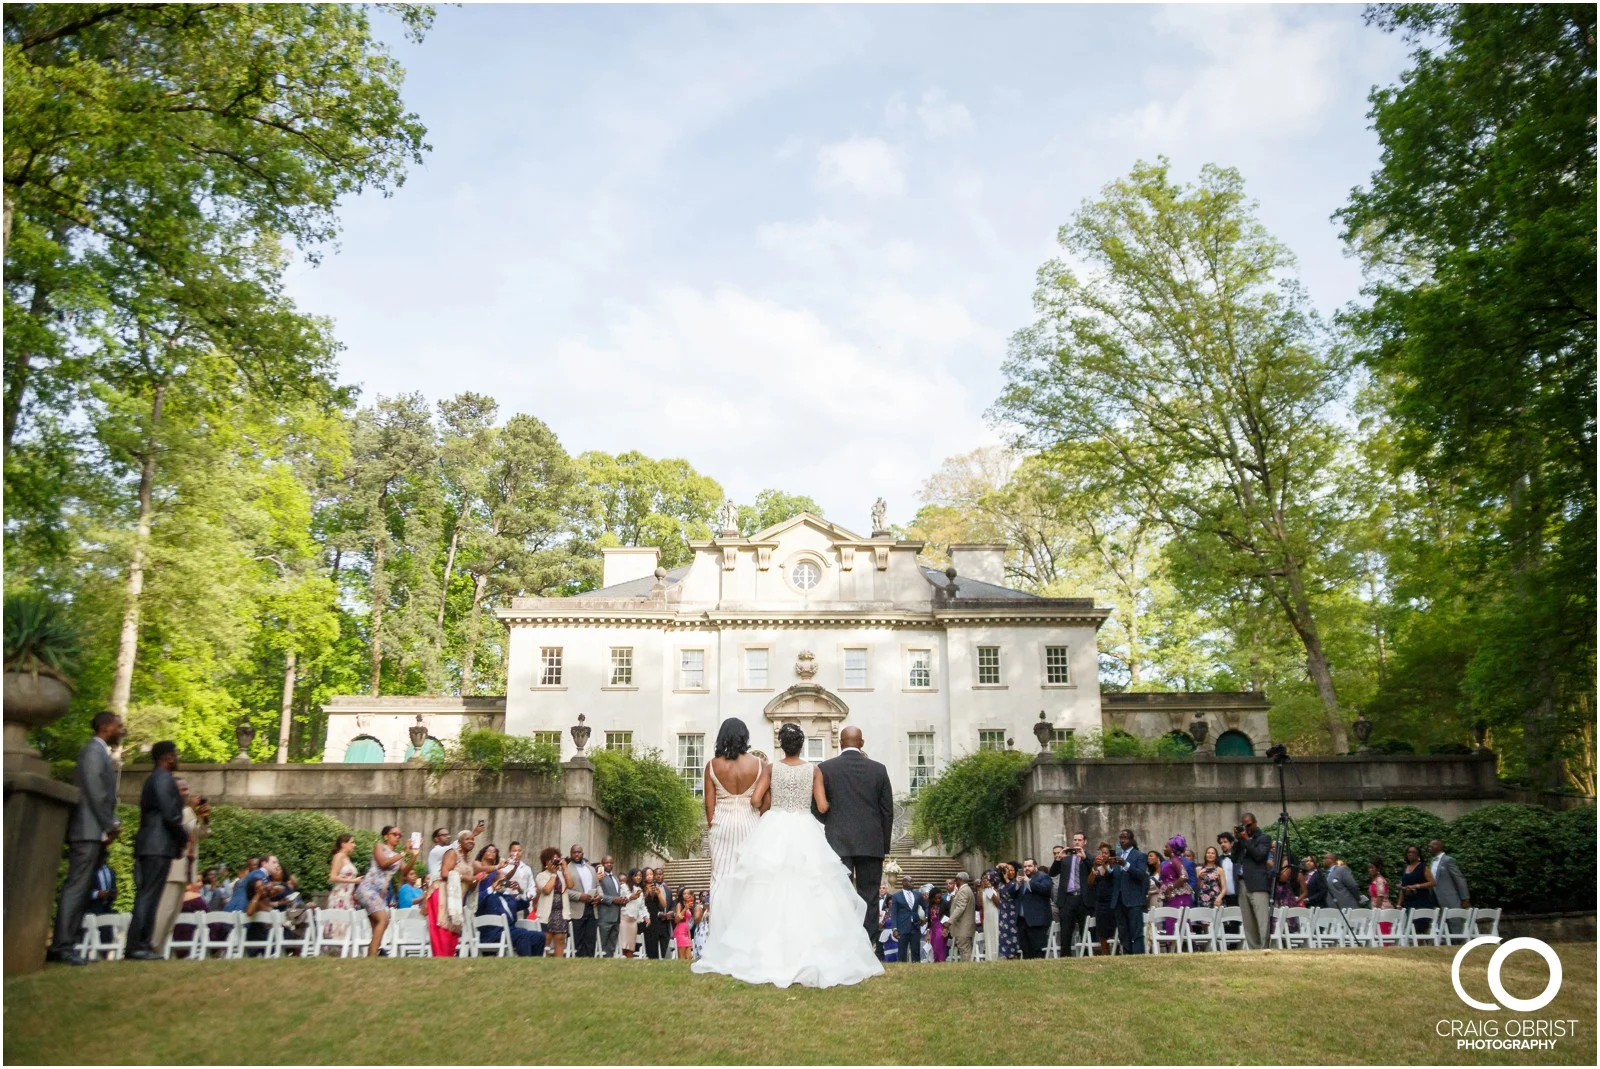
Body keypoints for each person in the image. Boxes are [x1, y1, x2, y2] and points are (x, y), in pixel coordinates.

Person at [691, 721, 885, 987]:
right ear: (802, 745)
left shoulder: (771, 768)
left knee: (767, 888)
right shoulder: (813, 770)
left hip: (776, 827)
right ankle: (808, 947)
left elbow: (756, 800)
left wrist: (773, 802)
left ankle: (764, 949)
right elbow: (823, 805)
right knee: (810, 889)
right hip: (805, 829)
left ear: (781, 744)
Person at [49, 711, 126, 965]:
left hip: (93, 832)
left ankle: (68, 944)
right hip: (87, 831)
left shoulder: (100, 752)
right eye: (118, 725)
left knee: (82, 890)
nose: (121, 729)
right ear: (105, 727)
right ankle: (62, 946)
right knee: (77, 888)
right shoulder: (93, 752)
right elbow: (94, 792)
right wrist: (109, 824)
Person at [813, 725, 895, 953]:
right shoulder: (878, 770)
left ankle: (842, 943)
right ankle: (867, 945)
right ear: (862, 743)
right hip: (871, 842)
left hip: (838, 841)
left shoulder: (826, 768)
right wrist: (884, 845)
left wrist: (831, 820)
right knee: (869, 895)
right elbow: (887, 811)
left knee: (839, 893)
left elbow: (816, 807)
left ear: (840, 743)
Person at [125, 741, 186, 959]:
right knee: (148, 896)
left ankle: (143, 944)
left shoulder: (157, 778)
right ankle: (137, 946)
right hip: (156, 845)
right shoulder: (162, 778)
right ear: (168, 757)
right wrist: (183, 836)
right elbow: (170, 814)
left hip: (154, 844)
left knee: (149, 896)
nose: (177, 758)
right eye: (175, 754)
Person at [703, 716, 768, 914]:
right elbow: (765, 803)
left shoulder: (712, 765)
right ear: (744, 737)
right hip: (751, 822)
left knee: (720, 876)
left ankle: (721, 927)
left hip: (722, 823)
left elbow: (709, 805)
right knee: (750, 877)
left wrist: (713, 824)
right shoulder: (759, 764)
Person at [151, 778, 211, 954]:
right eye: (183, 789)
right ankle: (153, 947)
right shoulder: (174, 809)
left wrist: (205, 818)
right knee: (165, 910)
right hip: (172, 868)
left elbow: (201, 834)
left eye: (187, 789)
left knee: (173, 912)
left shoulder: (188, 812)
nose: (187, 792)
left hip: (184, 870)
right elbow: (180, 828)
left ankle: (159, 949)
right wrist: (192, 810)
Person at [357, 826, 416, 957]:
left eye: (400, 835)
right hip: (368, 888)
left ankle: (373, 955)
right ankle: (372, 957)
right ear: (386, 836)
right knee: (384, 919)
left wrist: (414, 856)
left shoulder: (398, 856)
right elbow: (383, 863)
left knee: (377, 925)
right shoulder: (380, 846)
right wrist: (403, 853)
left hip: (381, 894)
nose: (398, 837)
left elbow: (405, 871)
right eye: (394, 834)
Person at [1228, 813, 1273, 949]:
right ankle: (1254, 948)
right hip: (1242, 883)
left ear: (1255, 823)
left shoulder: (1264, 838)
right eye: (1243, 825)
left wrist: (1246, 839)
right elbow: (1234, 859)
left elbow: (1259, 856)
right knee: (1248, 920)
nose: (1246, 828)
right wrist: (1237, 841)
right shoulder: (1241, 840)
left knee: (1262, 919)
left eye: (1248, 825)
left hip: (1257, 883)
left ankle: (1264, 948)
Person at [1108, 828, 1149, 955]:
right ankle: (1127, 954)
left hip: (1133, 900)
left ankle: (1138, 955)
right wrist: (1110, 867)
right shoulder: (1117, 856)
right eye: (1120, 838)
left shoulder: (1139, 855)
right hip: (1118, 899)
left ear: (1132, 840)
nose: (1122, 841)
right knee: (1123, 930)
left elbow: (1141, 875)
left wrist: (1126, 864)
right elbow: (1114, 877)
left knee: (1136, 930)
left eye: (1125, 838)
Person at [1052, 832, 1091, 956]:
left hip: (1082, 898)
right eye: (1075, 840)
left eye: (1080, 840)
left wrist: (1085, 858)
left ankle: (1086, 955)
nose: (1077, 842)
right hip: (1067, 899)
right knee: (1066, 930)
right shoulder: (1065, 858)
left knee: (1085, 929)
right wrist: (1058, 858)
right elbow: (1052, 873)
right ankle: (1065, 956)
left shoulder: (1089, 857)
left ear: (1085, 842)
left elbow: (1093, 872)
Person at [1008, 857, 1054, 959]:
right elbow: (1010, 894)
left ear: (1035, 867)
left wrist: (1028, 882)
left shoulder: (1043, 877)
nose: (1026, 868)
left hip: (1037, 921)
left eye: (1029, 866)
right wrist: (1017, 884)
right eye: (1025, 866)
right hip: (1022, 920)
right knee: (1025, 950)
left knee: (1038, 950)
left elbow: (1045, 890)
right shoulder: (1020, 880)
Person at [323, 834, 361, 945]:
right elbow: (333, 877)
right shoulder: (338, 856)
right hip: (340, 895)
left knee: (346, 923)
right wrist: (353, 881)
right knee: (338, 922)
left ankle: (344, 948)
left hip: (348, 895)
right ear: (343, 844)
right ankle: (335, 947)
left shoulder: (347, 858)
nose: (354, 845)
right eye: (352, 842)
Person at [564, 843, 600, 957]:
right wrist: (580, 896)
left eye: (578, 852)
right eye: (574, 852)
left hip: (592, 908)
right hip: (576, 909)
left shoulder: (591, 869)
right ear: (570, 854)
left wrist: (600, 896)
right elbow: (564, 890)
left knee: (590, 940)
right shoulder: (566, 869)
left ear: (582, 853)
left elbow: (598, 886)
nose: (576, 854)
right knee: (577, 941)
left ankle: (589, 964)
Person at [1428, 838, 1471, 933]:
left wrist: (1465, 898)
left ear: (1440, 846)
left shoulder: (1448, 860)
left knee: (1454, 921)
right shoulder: (1432, 861)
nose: (1429, 847)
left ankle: (1458, 941)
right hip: (1435, 897)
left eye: (1432, 845)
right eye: (1429, 846)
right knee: (1440, 922)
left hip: (1450, 897)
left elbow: (1459, 878)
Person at [533, 847, 568, 958]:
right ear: (545, 862)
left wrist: (565, 868)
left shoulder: (562, 875)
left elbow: (571, 885)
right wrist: (553, 874)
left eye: (556, 859)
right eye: (551, 860)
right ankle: (544, 960)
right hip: (546, 912)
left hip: (560, 912)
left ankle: (559, 961)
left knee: (560, 938)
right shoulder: (541, 876)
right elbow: (547, 890)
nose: (553, 862)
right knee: (546, 938)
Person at [886, 875, 927, 963]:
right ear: (904, 883)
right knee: (902, 952)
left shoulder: (918, 895)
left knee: (916, 952)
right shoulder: (896, 896)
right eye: (910, 881)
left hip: (915, 927)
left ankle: (916, 970)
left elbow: (926, 907)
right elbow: (894, 913)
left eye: (913, 881)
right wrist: (894, 929)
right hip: (902, 927)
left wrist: (926, 918)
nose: (913, 883)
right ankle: (902, 970)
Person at [1157, 836, 1192, 935]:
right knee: (1172, 920)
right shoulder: (1171, 861)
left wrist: (1170, 887)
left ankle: (1178, 945)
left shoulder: (1175, 860)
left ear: (1172, 849)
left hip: (1177, 896)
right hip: (1173, 896)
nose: (1164, 849)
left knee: (1175, 921)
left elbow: (1184, 876)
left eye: (1166, 847)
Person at [1086, 843, 1117, 955]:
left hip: (1111, 902)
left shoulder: (1113, 866)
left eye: (1105, 853)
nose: (1103, 855)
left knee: (1113, 928)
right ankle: (1105, 953)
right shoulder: (1097, 867)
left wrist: (1104, 865)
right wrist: (1094, 867)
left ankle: (1116, 952)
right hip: (1100, 903)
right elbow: (1090, 882)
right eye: (1101, 853)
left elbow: (1110, 875)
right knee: (1101, 930)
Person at [1397, 844, 1437, 931]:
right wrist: (1399, 904)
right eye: (1409, 852)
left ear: (1418, 854)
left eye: (1413, 852)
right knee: (1410, 927)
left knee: (1420, 927)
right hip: (1408, 901)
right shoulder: (1405, 868)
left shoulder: (1422, 867)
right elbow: (1403, 887)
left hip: (1422, 900)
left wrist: (1416, 886)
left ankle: (1421, 943)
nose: (1410, 854)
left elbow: (1432, 882)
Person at [641, 867, 672, 960]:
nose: (649, 876)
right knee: (646, 942)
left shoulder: (657, 887)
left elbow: (664, 904)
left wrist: (658, 893)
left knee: (654, 943)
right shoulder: (640, 887)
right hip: (644, 917)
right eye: (647, 875)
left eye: (651, 874)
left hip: (654, 918)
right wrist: (647, 892)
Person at [597, 854, 625, 957]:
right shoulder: (599, 877)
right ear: (602, 864)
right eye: (606, 862)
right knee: (601, 944)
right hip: (604, 916)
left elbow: (617, 894)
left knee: (612, 945)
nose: (609, 864)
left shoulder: (616, 878)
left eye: (611, 862)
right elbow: (598, 895)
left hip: (616, 916)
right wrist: (613, 899)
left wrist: (622, 900)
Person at [947, 871, 975, 961]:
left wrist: (949, 921)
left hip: (963, 926)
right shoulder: (966, 890)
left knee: (964, 949)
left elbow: (960, 908)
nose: (955, 882)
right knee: (965, 948)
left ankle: (966, 968)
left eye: (956, 880)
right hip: (965, 925)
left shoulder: (964, 891)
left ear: (960, 880)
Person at [994, 863, 1020, 959]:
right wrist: (998, 867)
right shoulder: (999, 884)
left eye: (1012, 870)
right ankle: (1005, 955)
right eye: (1007, 869)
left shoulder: (1016, 882)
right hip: (1002, 913)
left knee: (1012, 934)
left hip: (1012, 912)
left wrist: (1007, 879)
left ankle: (1014, 954)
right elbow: (991, 877)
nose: (1010, 871)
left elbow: (1011, 891)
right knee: (1003, 934)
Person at [619, 869, 646, 958]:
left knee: (631, 946)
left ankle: (629, 963)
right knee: (623, 944)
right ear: (631, 876)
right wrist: (631, 897)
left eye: (640, 876)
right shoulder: (624, 887)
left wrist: (646, 916)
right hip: (624, 919)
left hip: (633, 921)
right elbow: (621, 900)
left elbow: (642, 906)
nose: (638, 877)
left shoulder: (639, 890)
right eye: (636, 875)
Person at [1367, 857, 1394, 935]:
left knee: (1381, 934)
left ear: (1378, 868)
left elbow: (1380, 896)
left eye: (1372, 868)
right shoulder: (1375, 880)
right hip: (1377, 908)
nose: (1369, 870)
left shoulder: (1379, 880)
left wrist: (1376, 912)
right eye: (1369, 868)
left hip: (1382, 910)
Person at [978, 872, 1000, 962]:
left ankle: (996, 957)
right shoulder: (983, 890)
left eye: (987, 879)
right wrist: (981, 889)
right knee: (988, 938)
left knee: (995, 936)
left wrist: (988, 890)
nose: (985, 881)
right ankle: (989, 958)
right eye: (984, 879)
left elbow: (998, 903)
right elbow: (979, 903)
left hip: (995, 916)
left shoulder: (995, 890)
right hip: (987, 917)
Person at [1215, 832, 1238, 908]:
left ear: (1231, 843)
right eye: (1221, 843)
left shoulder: (1238, 858)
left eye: (1225, 842)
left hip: (1237, 896)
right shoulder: (1218, 860)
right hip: (1222, 897)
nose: (1223, 844)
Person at [672, 887, 696, 960]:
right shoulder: (680, 904)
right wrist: (685, 908)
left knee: (689, 957)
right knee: (682, 958)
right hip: (680, 932)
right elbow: (676, 920)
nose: (686, 895)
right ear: (681, 895)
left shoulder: (689, 905)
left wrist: (689, 937)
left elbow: (687, 922)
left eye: (688, 893)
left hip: (686, 931)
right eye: (684, 893)